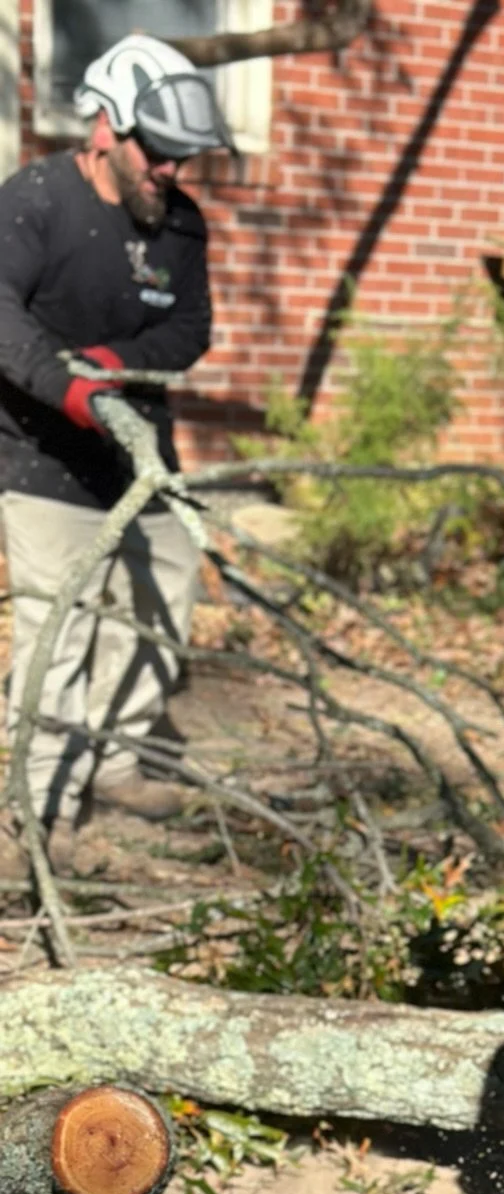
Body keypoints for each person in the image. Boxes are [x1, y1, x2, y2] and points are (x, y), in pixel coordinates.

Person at [0, 34, 230, 876]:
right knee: (58, 631)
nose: (170, 171)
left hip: (140, 455)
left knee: (162, 600)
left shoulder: (180, 226)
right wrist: (63, 385)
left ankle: (117, 760)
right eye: (157, 153)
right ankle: (37, 804)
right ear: (105, 127)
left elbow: (190, 328)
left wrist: (113, 370)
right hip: (39, 455)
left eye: (183, 157)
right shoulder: (34, 202)